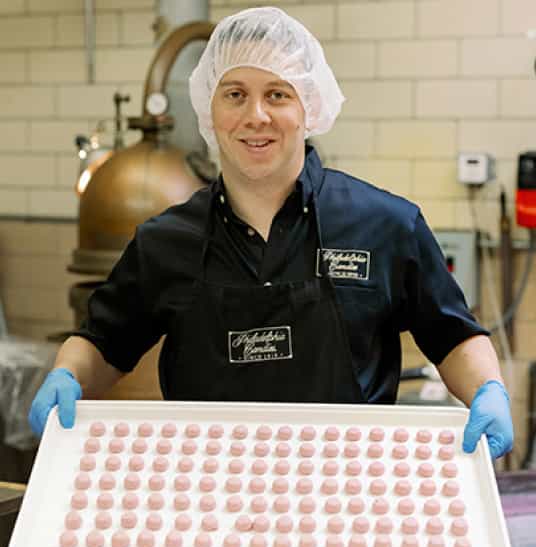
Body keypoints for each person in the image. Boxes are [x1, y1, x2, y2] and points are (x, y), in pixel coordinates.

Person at [29, 6, 512, 459]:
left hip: (348, 490)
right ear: (210, 112)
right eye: (235, 94)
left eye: (277, 94)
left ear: (309, 107)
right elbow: (104, 342)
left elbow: (452, 337)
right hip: (206, 490)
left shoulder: (385, 224)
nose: (255, 115)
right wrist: (68, 374)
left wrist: (488, 390)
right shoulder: (165, 242)